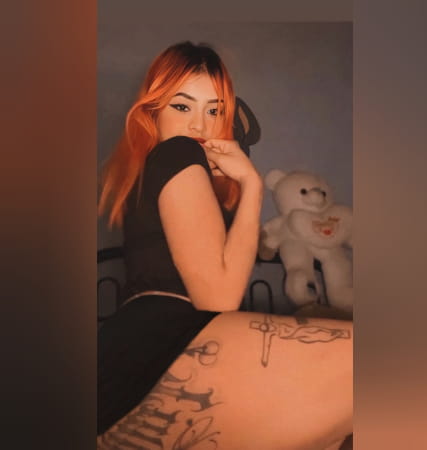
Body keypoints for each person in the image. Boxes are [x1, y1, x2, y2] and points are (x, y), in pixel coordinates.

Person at [97, 41, 352, 450]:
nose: (199, 125)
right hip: (161, 344)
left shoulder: (160, 168)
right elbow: (219, 296)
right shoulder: (176, 152)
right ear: (154, 110)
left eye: (214, 111)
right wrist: (252, 184)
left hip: (144, 350)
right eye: (182, 106)